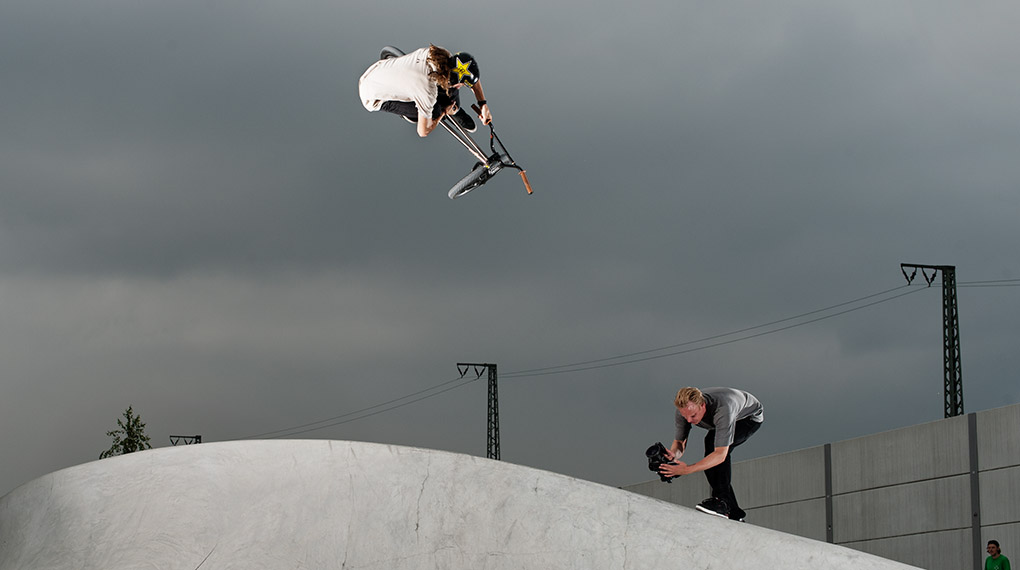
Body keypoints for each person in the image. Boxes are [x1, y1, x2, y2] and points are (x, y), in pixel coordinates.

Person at [659, 386, 764, 521]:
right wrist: (673, 455)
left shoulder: (723, 409)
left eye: (693, 415)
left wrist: (686, 470)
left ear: (702, 405)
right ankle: (733, 512)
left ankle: (723, 503)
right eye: (686, 417)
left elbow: (720, 455)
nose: (689, 420)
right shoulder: (683, 411)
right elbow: (680, 442)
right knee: (710, 449)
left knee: (712, 449)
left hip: (748, 418)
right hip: (724, 418)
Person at [359, 44, 492, 138]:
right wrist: (444, 113)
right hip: (371, 94)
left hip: (378, 69)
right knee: (436, 110)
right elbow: (423, 132)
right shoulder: (427, 92)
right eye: (461, 85)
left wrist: (483, 104)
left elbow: (470, 78)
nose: (461, 87)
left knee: (450, 93)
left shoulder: (443, 54)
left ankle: (454, 109)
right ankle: (415, 112)